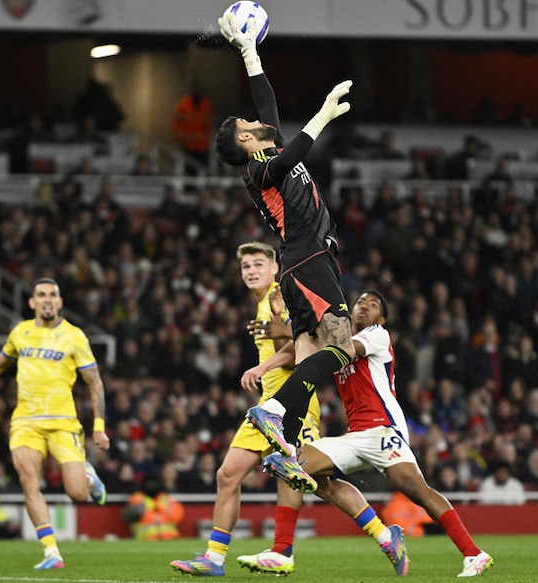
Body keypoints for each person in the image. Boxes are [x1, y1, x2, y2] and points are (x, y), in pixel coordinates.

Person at [172, 243, 402, 577]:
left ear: (274, 269)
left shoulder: (281, 298)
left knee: (311, 480)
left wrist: (262, 366)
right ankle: (215, 558)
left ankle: (300, 548)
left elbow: (307, 348)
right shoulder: (264, 303)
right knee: (228, 475)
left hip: (295, 403)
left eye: (258, 265)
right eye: (246, 266)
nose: (250, 271)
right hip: (267, 405)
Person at [213, 10, 358, 490]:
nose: (258, 119)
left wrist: (249, 53)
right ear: (247, 141)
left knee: (308, 353)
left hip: (300, 263)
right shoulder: (258, 171)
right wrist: (322, 114)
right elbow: (298, 150)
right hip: (308, 257)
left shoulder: (265, 151)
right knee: (341, 347)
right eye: (250, 123)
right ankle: (273, 411)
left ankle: (288, 449)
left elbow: (266, 101)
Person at [256, 291, 495, 577]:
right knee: (291, 466)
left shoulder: (377, 335)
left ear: (381, 318)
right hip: (354, 436)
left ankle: (474, 554)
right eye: (360, 302)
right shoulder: (338, 341)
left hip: (383, 430)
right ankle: (375, 537)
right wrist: (275, 349)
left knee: (415, 489)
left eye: (372, 306)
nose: (364, 307)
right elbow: (303, 359)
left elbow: (340, 349)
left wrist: (291, 331)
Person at [0, 278, 109, 570]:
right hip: (25, 421)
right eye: (41, 295)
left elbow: (94, 383)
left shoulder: (74, 336)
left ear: (59, 302)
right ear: (32, 302)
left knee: (76, 493)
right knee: (28, 482)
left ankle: (88, 477)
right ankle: (51, 552)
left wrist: (99, 426)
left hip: (63, 421)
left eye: (53, 295)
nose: (47, 299)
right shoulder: (20, 332)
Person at [171, 81, 215, 174]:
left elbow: (209, 124)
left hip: (203, 146)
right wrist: (182, 138)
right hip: (189, 145)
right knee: (189, 171)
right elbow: (176, 124)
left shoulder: (205, 105)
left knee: (204, 170)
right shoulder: (183, 105)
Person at [123, 476, 185, 541]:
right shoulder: (137, 499)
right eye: (149, 483)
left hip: (169, 539)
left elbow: (178, 516)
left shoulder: (167, 499)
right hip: (144, 540)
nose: (151, 485)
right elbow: (127, 516)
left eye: (154, 483)